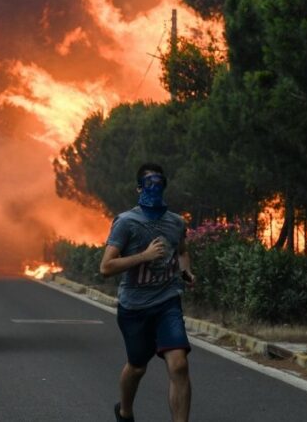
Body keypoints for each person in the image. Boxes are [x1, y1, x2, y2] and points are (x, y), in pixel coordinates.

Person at [100, 163, 195, 422]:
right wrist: (145, 255)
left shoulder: (176, 222)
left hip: (167, 302)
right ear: (138, 188)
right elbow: (106, 267)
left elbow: (182, 250)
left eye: (159, 183)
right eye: (149, 183)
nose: (154, 188)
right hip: (134, 306)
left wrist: (186, 271)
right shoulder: (126, 222)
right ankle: (125, 411)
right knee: (137, 366)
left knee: (179, 365)